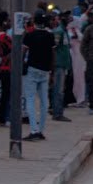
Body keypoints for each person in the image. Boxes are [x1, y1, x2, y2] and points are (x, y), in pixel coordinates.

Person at [21, 11, 55, 141]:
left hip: (32, 69)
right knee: (44, 101)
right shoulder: (50, 36)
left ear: (34, 22)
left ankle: (33, 130)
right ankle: (41, 130)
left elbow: (23, 52)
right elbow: (53, 54)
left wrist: (21, 67)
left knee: (30, 99)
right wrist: (51, 71)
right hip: (45, 71)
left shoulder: (29, 35)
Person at [51, 10, 73, 122]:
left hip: (64, 64)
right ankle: (57, 113)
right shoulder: (59, 32)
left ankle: (58, 112)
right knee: (58, 90)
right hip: (58, 64)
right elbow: (54, 48)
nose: (69, 19)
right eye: (67, 17)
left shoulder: (64, 32)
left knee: (61, 90)